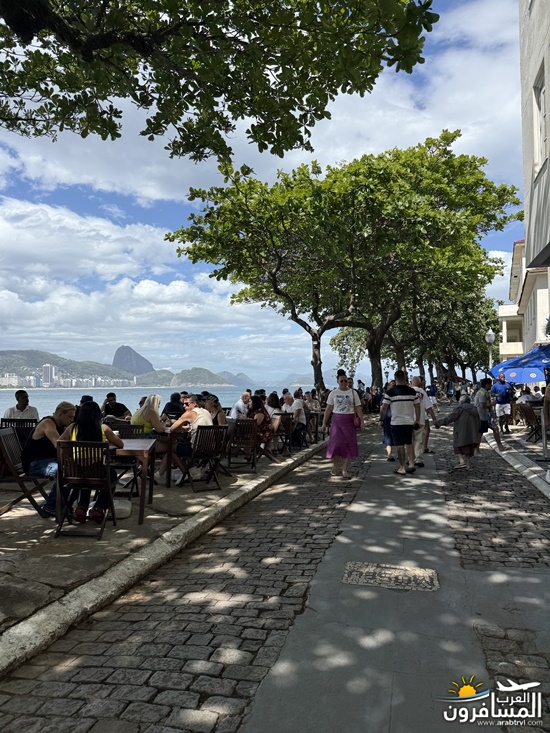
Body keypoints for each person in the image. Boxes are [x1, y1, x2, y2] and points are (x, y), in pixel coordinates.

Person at [58, 401, 123, 523]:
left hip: (75, 474)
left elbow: (59, 443)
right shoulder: (104, 428)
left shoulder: (72, 428)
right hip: (97, 474)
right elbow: (120, 444)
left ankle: (82, 507)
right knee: (111, 474)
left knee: (86, 476)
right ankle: (99, 507)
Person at [20, 401, 77, 517]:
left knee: (75, 470)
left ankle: (64, 505)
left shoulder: (61, 426)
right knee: (64, 471)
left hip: (49, 460)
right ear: (60, 414)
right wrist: (69, 430)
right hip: (35, 463)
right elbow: (58, 444)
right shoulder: (48, 423)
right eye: (69, 417)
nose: (71, 420)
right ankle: (51, 506)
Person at [379, 370, 421, 476]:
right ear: (405, 378)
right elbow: (417, 406)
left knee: (400, 445)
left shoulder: (390, 392)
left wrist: (381, 419)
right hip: (409, 421)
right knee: (409, 443)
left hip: (396, 422)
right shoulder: (412, 391)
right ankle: (411, 464)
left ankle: (402, 467)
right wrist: (417, 420)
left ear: (395, 378)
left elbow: (384, 408)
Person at [322, 372, 364, 478]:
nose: (344, 383)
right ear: (337, 381)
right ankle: (335, 464)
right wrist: (324, 422)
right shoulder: (333, 393)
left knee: (348, 445)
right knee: (337, 444)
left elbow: (358, 407)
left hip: (349, 421)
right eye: (342, 381)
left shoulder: (353, 393)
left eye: (346, 381)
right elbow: (328, 409)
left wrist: (362, 421)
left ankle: (344, 469)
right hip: (337, 421)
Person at [435, 395, 481, 470]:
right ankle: (468, 464)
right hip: (472, 433)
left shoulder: (460, 409)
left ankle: (462, 461)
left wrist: (439, 423)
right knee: (469, 447)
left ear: (461, 401)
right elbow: (479, 421)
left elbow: (450, 418)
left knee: (458, 446)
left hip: (461, 431)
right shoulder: (475, 409)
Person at [474, 377, 507, 452]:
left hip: (484, 416)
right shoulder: (482, 393)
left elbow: (491, 395)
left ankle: (477, 449)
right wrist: (492, 403)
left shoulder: (483, 392)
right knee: (488, 430)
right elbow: (483, 405)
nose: (491, 386)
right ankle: (499, 446)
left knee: (482, 432)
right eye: (490, 384)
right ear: (486, 384)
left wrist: (497, 395)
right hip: (483, 416)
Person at [410, 376, 436, 467]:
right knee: (419, 440)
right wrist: (434, 418)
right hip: (420, 418)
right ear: (419, 383)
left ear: (411, 382)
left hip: (408, 419)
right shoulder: (422, 392)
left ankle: (410, 459)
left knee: (409, 440)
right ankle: (419, 459)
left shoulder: (407, 391)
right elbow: (429, 407)